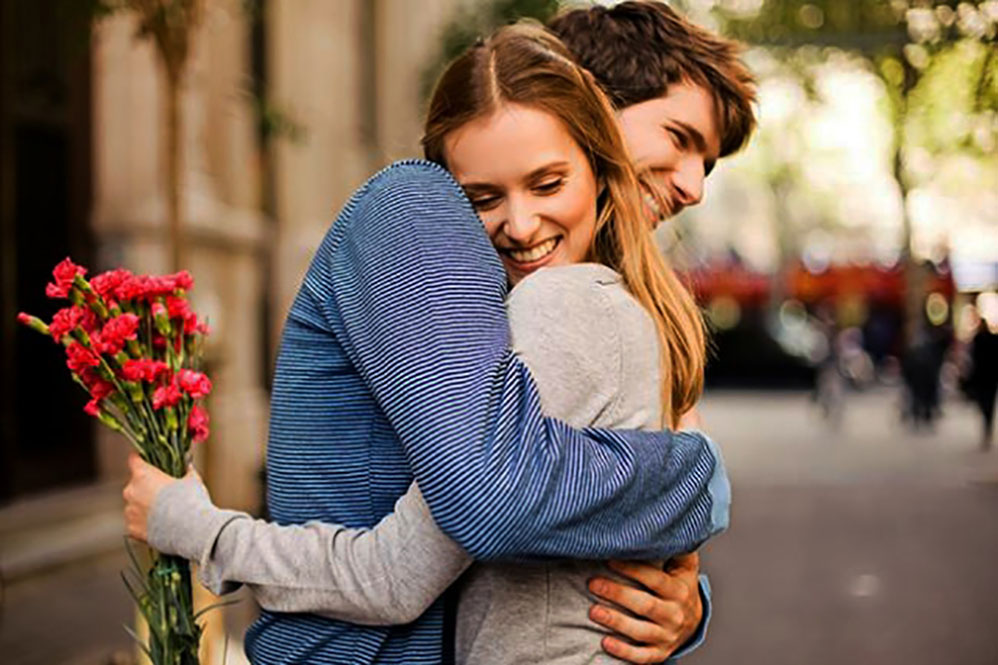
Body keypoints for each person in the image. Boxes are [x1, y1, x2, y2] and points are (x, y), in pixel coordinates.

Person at [126, 23, 726, 665]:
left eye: (547, 184)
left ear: (595, 166)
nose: (520, 225)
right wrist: (698, 479)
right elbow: (506, 518)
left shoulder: (567, 300)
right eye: (483, 198)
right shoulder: (433, 224)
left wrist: (199, 530)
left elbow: (450, 545)